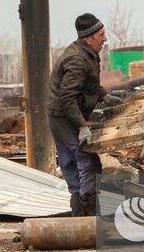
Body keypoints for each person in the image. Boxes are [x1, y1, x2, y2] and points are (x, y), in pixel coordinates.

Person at [49, 12, 117, 216]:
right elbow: (67, 98)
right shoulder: (78, 59)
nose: (104, 38)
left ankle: (79, 212)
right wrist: (82, 125)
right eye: (101, 35)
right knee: (87, 161)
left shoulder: (86, 53)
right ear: (88, 39)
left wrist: (104, 96)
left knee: (71, 163)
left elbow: (88, 84)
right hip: (64, 117)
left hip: (61, 115)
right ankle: (88, 213)